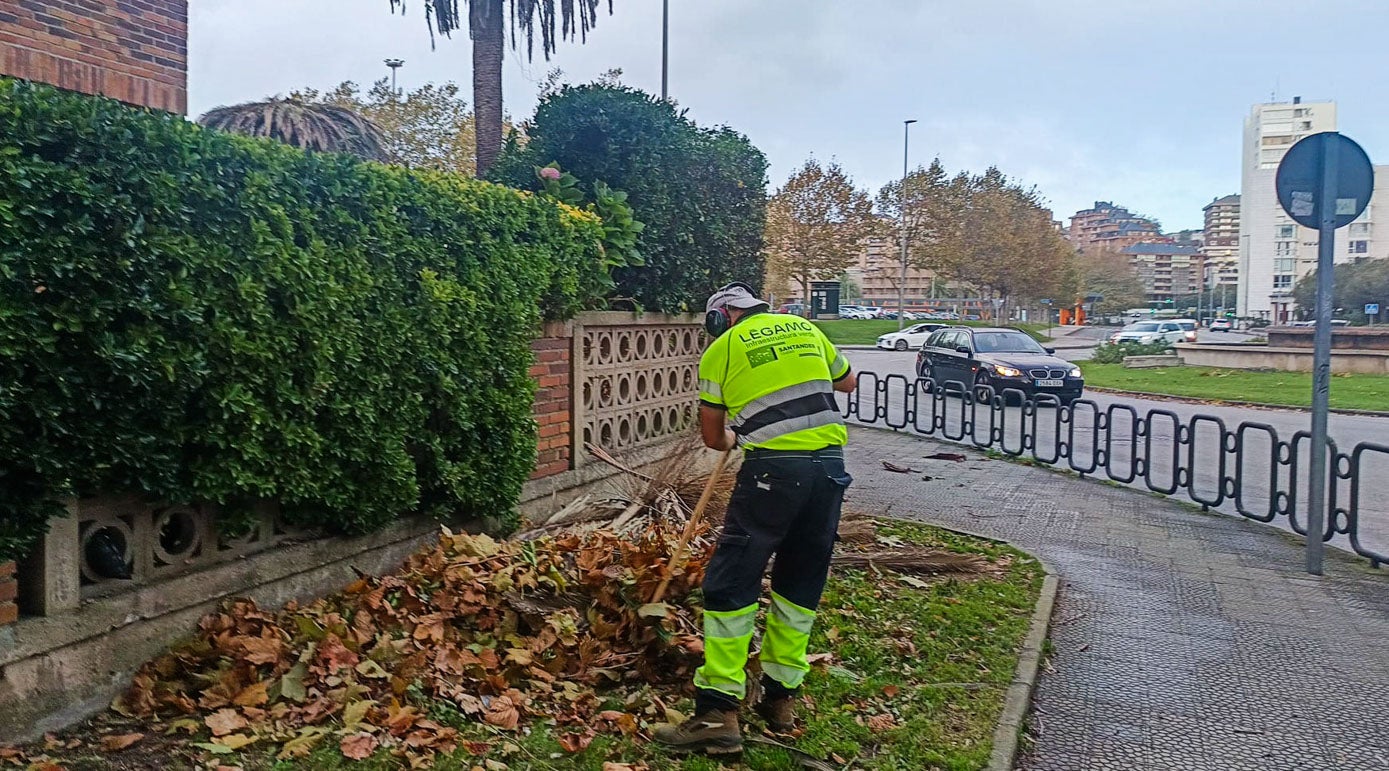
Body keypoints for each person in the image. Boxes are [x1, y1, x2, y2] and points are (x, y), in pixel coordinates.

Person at [654, 283, 857, 755]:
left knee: (732, 582)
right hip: (829, 469)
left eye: (713, 322)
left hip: (772, 474)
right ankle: (780, 698)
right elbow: (845, 382)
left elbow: (712, 435)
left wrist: (733, 438)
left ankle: (716, 712)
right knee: (799, 582)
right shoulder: (806, 328)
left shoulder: (721, 350)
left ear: (723, 316)